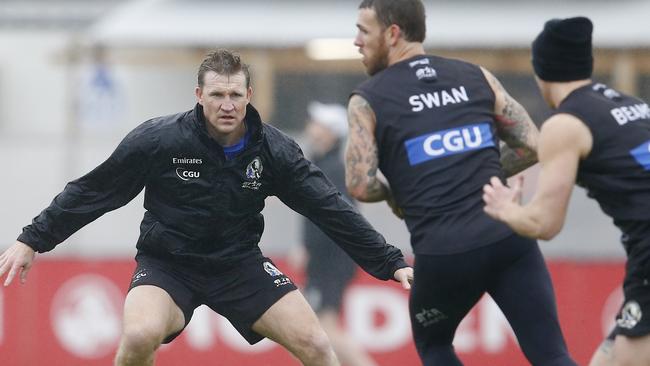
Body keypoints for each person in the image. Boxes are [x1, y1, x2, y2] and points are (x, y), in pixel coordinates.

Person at [0, 49, 413, 366]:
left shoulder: (273, 150)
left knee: (318, 343)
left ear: (249, 95)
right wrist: (31, 239)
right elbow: (93, 191)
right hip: (168, 264)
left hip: (239, 264)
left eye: (236, 94)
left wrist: (390, 261)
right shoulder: (160, 140)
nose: (227, 104)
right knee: (140, 334)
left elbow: (331, 209)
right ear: (199, 95)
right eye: (217, 94)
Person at [346, 1, 577, 365]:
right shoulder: (475, 75)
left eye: (363, 30)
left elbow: (360, 184)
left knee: (435, 346)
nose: (356, 41)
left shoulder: (367, 99)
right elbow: (535, 145)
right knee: (551, 354)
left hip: (445, 251)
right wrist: (479, 172)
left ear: (392, 35)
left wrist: (395, 194)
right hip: (508, 238)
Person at [482, 17, 650, 366]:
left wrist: (505, 208)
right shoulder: (630, 103)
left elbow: (545, 223)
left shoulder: (564, 124)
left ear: (541, 72)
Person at [299, 101, 378, 366]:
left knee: (325, 327)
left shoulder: (332, 170)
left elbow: (338, 219)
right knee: (319, 329)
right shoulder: (325, 167)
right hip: (328, 260)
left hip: (330, 260)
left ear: (330, 132)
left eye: (318, 124)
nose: (311, 128)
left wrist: (307, 248)